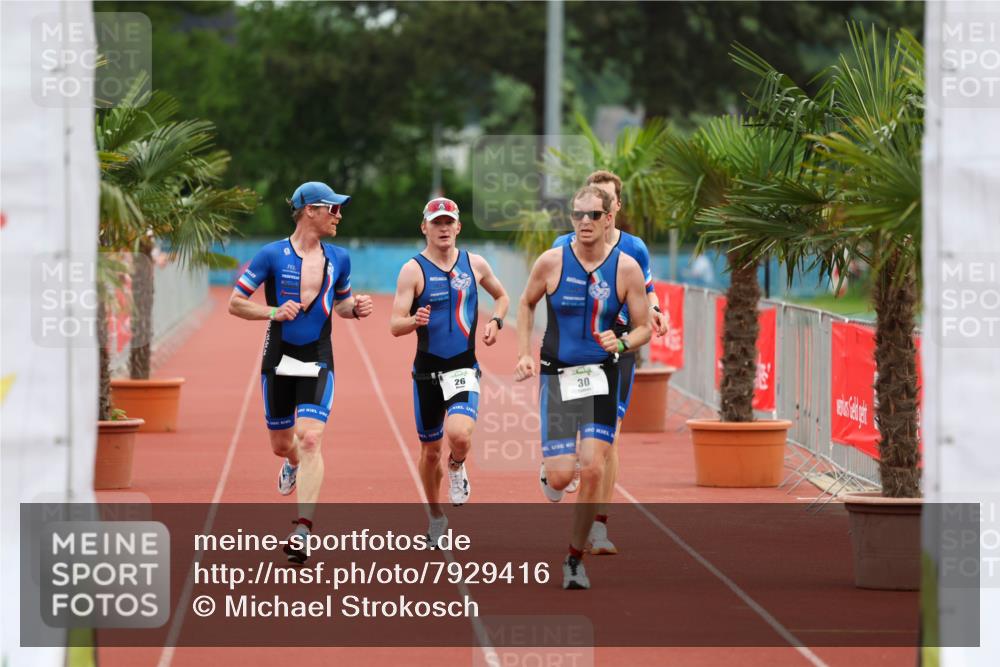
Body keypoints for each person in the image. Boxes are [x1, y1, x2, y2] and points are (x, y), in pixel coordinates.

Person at [228, 181, 373, 563]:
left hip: (317, 355)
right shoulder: (271, 255)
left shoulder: (339, 257)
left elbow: (340, 305)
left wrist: (355, 308)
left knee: (310, 438)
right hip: (277, 355)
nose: (339, 216)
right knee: (282, 445)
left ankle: (303, 529)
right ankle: (291, 464)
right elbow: (235, 303)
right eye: (334, 209)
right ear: (310, 209)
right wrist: (272, 312)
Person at [515, 185, 651, 589]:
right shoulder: (552, 261)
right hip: (558, 375)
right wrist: (525, 353)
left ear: (610, 218)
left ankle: (574, 559)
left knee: (592, 466)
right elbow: (525, 303)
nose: (585, 222)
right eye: (578, 215)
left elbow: (643, 326)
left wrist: (623, 341)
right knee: (561, 478)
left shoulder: (626, 268)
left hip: (601, 375)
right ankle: (551, 469)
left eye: (593, 215)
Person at [551, 170, 668, 555]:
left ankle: (599, 525)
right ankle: (556, 464)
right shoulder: (563, 245)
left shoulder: (634, 249)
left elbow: (648, 293)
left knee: (608, 440)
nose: (594, 211)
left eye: (604, 200)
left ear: (615, 206)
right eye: (589, 201)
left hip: (617, 352)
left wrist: (655, 313)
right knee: (571, 440)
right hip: (572, 354)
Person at [390, 197, 509, 546]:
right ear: (424, 227)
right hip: (426, 372)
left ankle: (457, 465)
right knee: (429, 451)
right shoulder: (412, 270)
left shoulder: (475, 264)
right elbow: (394, 325)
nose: (443, 228)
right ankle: (435, 516)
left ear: (458, 227)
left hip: (462, 367)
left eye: (448, 222)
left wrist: (497, 322)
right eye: (436, 222)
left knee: (459, 435)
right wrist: (414, 320)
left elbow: (501, 297)